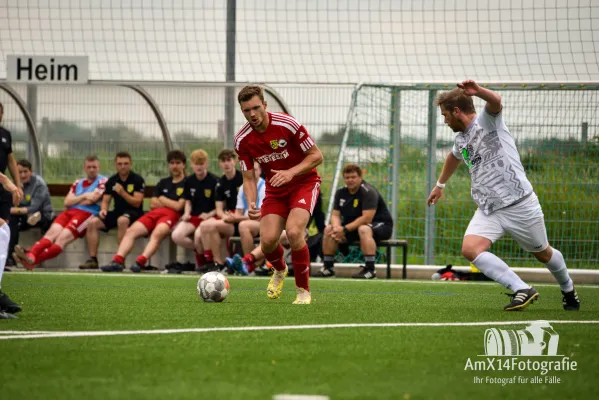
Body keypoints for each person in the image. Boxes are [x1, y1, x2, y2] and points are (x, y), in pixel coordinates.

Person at [427, 79, 580, 311]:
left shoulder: (487, 122)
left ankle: (568, 289)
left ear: (457, 111)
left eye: (445, 115)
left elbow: (496, 101)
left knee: (543, 254)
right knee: (470, 249)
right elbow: (454, 156)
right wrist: (440, 184)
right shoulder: (461, 139)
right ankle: (522, 288)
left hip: (519, 204)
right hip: (489, 208)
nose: (445, 120)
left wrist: (478, 91)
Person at [235, 85, 323, 304]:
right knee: (267, 242)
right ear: (242, 111)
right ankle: (280, 269)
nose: (252, 114)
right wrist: (252, 202)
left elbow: (317, 156)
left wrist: (290, 172)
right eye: (247, 110)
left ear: (264, 105)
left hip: (304, 183)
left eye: (256, 108)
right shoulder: (242, 140)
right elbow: (248, 178)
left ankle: (303, 291)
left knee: (294, 233)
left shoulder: (287, 124)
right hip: (276, 191)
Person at [14, 154, 107, 269]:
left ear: (99, 167)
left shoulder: (103, 180)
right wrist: (85, 195)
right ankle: (31, 254)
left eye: (94, 167)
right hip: (69, 212)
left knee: (61, 239)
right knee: (51, 234)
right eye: (89, 167)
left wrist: (77, 199)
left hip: (86, 214)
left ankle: (31, 259)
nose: (92, 170)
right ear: (84, 168)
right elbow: (67, 202)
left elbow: (93, 199)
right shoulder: (78, 182)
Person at [100, 150, 186, 273]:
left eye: (178, 163)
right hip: (154, 213)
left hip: (172, 215)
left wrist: (162, 199)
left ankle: (140, 261)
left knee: (157, 234)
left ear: (184, 165)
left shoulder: (187, 183)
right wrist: (169, 202)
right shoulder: (163, 182)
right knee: (131, 231)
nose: (175, 166)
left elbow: (178, 207)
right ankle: (117, 261)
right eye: (172, 163)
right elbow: (152, 204)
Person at [316, 163, 393, 279]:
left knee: (364, 229)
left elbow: (367, 218)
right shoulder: (340, 192)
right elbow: (335, 215)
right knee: (329, 229)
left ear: (360, 178)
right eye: (347, 178)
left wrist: (345, 229)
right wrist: (337, 229)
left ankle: (370, 270)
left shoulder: (368, 191)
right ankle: (328, 268)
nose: (350, 180)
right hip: (354, 227)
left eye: (353, 177)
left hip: (381, 225)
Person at [79, 152, 145, 269]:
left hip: (134, 213)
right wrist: (103, 210)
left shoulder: (137, 179)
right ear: (115, 164)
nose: (123, 166)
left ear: (131, 164)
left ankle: (120, 259)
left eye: (126, 164)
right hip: (117, 211)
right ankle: (93, 260)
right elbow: (106, 200)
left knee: (122, 220)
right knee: (92, 223)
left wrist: (123, 193)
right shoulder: (112, 180)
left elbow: (137, 202)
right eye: (120, 164)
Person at [200, 161, 265, 273]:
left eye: (255, 170)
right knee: (212, 225)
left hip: (262, 223)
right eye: (250, 170)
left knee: (244, 226)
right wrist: (231, 217)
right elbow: (239, 212)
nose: (252, 173)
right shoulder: (243, 187)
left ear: (260, 171)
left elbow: (260, 215)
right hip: (243, 221)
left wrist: (236, 218)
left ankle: (251, 265)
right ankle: (219, 264)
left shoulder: (263, 186)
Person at [195, 149, 243, 273]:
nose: (226, 164)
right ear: (219, 164)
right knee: (205, 226)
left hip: (242, 218)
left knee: (211, 226)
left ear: (235, 161)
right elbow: (219, 209)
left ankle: (219, 263)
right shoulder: (220, 183)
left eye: (229, 160)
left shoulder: (242, 178)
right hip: (229, 219)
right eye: (223, 161)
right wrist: (224, 217)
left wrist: (234, 215)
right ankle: (214, 263)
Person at [171, 149, 218, 267]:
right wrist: (186, 213)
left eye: (201, 164)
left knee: (198, 236)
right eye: (196, 164)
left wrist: (209, 214)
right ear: (191, 165)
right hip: (194, 217)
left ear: (207, 164)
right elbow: (188, 201)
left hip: (209, 218)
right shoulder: (189, 180)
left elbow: (220, 206)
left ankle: (203, 264)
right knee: (176, 235)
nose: (199, 167)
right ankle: (200, 251)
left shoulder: (215, 181)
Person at [0, 101, 23, 319]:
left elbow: (11, 159)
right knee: (1, 233)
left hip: (1, 191)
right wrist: (5, 179)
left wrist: (14, 182)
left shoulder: (5, 135)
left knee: (2, 232)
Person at [7, 159, 53, 267]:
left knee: (36, 215)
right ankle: (11, 256)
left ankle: (25, 252)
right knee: (11, 221)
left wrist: (11, 210)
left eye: (25, 171)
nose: (23, 175)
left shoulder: (39, 183)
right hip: (24, 215)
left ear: (31, 171)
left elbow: (34, 207)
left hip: (43, 215)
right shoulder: (16, 184)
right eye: (20, 172)